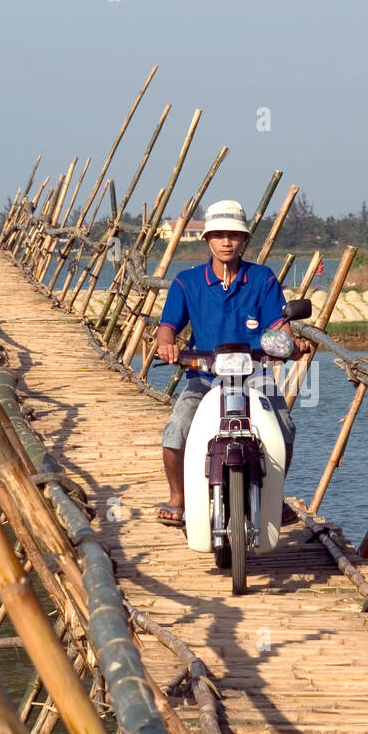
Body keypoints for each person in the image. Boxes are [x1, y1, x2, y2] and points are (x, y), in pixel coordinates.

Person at [153, 199, 311, 526]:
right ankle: (177, 497)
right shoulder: (187, 283)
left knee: (284, 427)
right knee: (177, 428)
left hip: (255, 375)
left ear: (245, 241)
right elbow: (167, 327)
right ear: (208, 238)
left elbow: (278, 329)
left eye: (234, 236)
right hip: (205, 377)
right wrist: (167, 345)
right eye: (219, 234)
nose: (227, 242)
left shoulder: (262, 279)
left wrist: (291, 345)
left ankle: (274, 494)